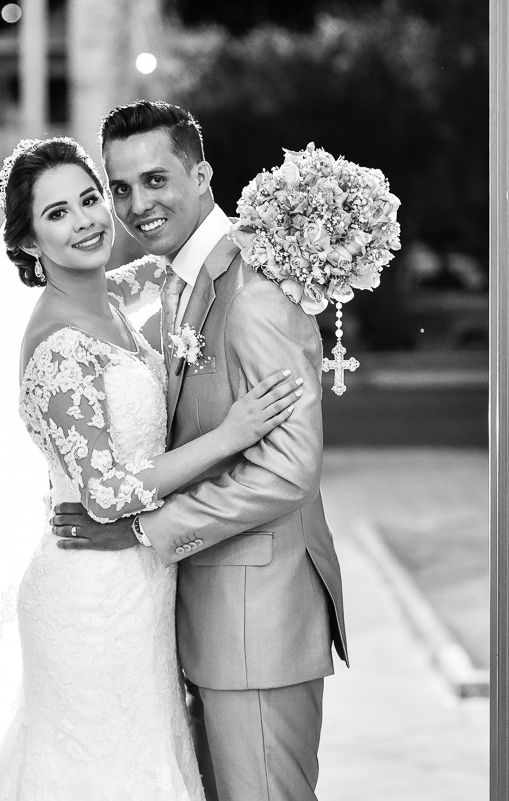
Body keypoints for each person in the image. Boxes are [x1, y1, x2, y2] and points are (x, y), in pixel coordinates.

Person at [0, 136, 302, 800]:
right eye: (57, 214)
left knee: (149, 760)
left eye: (90, 198)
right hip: (89, 597)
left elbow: (191, 256)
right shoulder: (58, 345)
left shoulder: (109, 296)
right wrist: (231, 435)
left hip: (139, 585)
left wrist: (287, 223)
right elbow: (109, 493)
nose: (86, 220)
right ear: (28, 241)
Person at [52, 101, 350, 801]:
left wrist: (142, 530)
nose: (136, 204)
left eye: (156, 180)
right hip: (213, 618)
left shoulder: (253, 292)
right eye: (120, 187)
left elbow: (285, 471)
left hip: (259, 624)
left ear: (203, 173)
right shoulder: (188, 279)